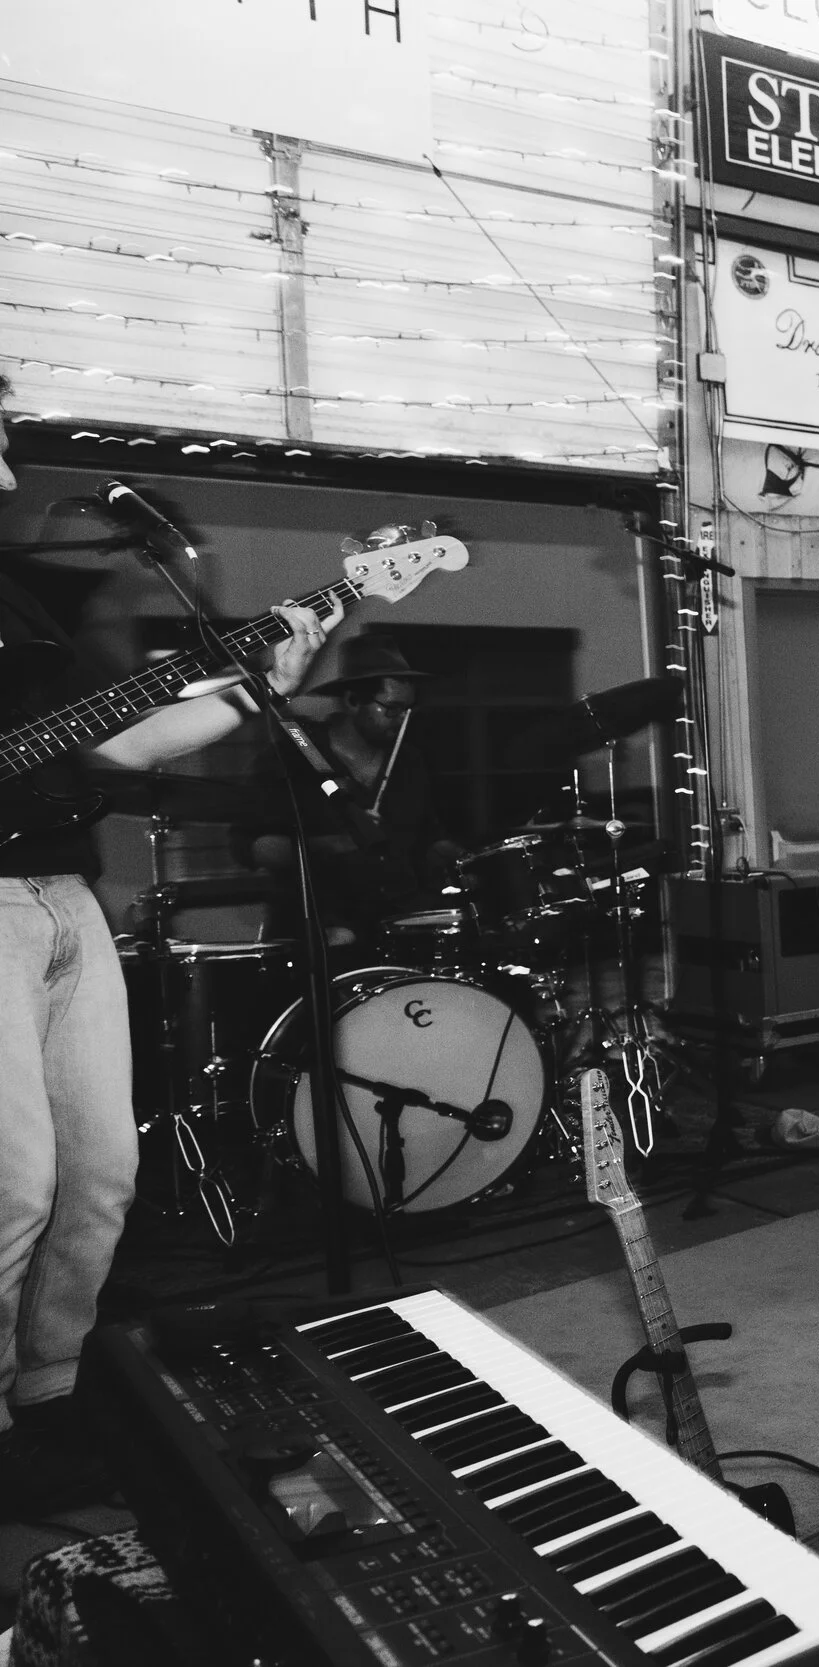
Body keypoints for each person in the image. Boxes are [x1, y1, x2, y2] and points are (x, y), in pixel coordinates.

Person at [0, 385, 336, 1517]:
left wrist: (260, 690)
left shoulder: (16, 600)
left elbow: (122, 740)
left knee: (101, 1172)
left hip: (63, 894)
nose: (9, 472)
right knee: (12, 1186)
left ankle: (50, 1393)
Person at [237, 633, 462, 954]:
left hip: (397, 923)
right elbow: (253, 846)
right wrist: (331, 844)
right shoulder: (296, 757)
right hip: (319, 928)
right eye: (392, 709)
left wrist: (467, 860)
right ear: (353, 701)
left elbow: (428, 836)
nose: (401, 721)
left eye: (407, 711)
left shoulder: (409, 762)